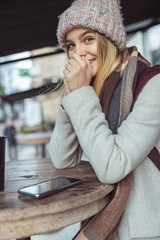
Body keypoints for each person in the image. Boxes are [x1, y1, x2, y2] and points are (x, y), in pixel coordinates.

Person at [48, 0, 160, 239]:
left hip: (144, 230)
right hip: (105, 219)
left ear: (109, 41)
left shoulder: (154, 84)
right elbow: (62, 158)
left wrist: (80, 95)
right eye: (70, 45)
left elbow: (112, 167)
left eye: (88, 39)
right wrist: (73, 94)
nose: (78, 52)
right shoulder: (89, 93)